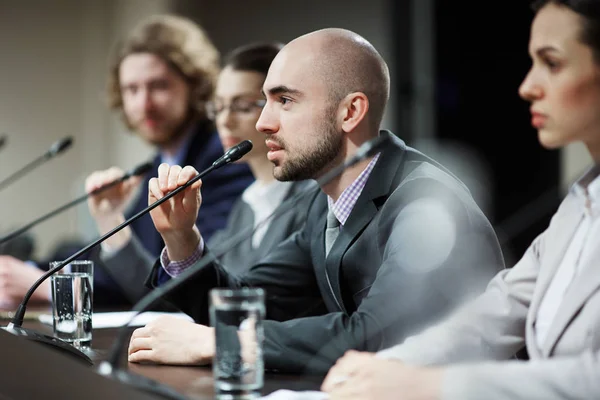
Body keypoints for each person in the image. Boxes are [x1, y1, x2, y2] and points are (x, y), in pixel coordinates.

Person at [127, 28, 505, 373]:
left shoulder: (427, 204)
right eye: (265, 101)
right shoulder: (321, 203)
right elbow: (246, 304)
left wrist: (220, 343)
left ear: (350, 112)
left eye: (285, 100)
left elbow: (374, 336)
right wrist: (181, 239)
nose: (262, 123)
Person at [321, 1, 600, 399]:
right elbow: (501, 308)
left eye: (552, 63)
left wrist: (430, 385)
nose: (527, 86)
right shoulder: (581, 200)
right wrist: (395, 364)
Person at [82, 15, 255, 305]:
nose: (144, 104)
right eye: (132, 90)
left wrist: (111, 221)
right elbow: (122, 276)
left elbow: (184, 289)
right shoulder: (159, 162)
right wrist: (44, 277)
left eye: (159, 85)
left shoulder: (223, 162)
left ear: (195, 86)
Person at [205, 42, 318, 272]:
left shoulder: (315, 199)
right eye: (219, 107)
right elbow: (195, 286)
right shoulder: (246, 204)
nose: (224, 121)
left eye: (243, 106)